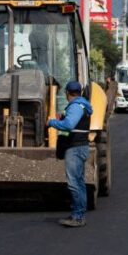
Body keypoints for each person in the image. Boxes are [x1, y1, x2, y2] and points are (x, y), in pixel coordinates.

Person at [47, 81, 93, 228]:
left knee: (73, 183)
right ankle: (78, 213)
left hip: (75, 148)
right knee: (79, 182)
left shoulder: (75, 106)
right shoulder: (83, 105)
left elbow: (68, 125)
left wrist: (52, 122)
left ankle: (78, 217)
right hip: (81, 147)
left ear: (67, 93)